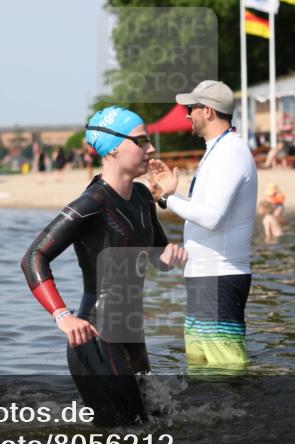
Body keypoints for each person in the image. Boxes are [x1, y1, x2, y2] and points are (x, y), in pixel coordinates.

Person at [21, 106, 187, 426]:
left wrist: (167, 257)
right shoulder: (91, 204)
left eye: (149, 141)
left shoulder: (141, 196)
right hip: (95, 338)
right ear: (111, 148)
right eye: (141, 142)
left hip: (131, 333)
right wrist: (63, 316)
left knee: (155, 424)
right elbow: (33, 258)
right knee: (127, 437)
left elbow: (155, 252)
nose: (150, 149)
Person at [147, 80, 258, 370]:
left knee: (226, 372)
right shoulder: (216, 150)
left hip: (220, 276)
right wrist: (167, 195)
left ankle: (248, 417)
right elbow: (205, 211)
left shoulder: (231, 152)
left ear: (207, 111)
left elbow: (211, 218)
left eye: (191, 108)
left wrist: (168, 200)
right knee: (201, 370)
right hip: (204, 275)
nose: (187, 114)